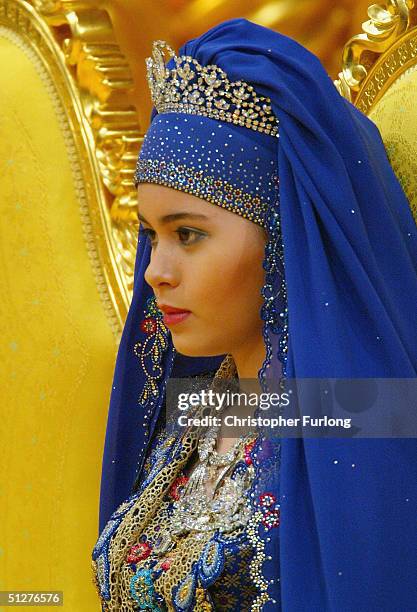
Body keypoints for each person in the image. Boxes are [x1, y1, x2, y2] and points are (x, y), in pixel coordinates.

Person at [91, 18, 417, 611]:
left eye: (188, 234)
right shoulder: (205, 412)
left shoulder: (359, 431)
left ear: (285, 239)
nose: (154, 272)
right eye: (150, 236)